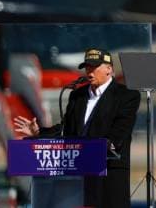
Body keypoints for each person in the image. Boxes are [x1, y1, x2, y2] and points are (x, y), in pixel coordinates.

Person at [13, 48, 141, 208]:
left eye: (94, 67)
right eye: (87, 67)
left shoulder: (126, 95)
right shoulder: (77, 95)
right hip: (78, 179)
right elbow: (66, 128)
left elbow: (120, 131)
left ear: (108, 69)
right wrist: (39, 132)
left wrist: (105, 145)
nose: (89, 71)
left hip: (108, 174)